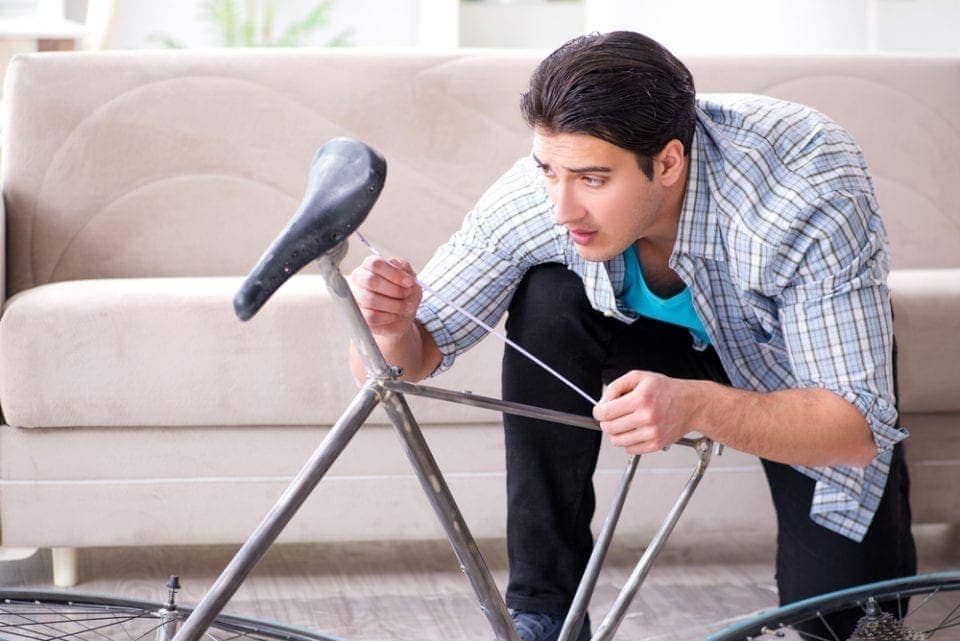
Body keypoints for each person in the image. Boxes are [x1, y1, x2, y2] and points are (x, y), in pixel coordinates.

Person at [346, 31, 916, 641]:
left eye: (592, 179)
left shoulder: (804, 190)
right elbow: (403, 366)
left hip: (795, 373)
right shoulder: (540, 196)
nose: (563, 208)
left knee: (847, 623)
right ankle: (543, 608)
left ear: (668, 163)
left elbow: (855, 428)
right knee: (547, 297)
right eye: (549, 171)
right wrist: (387, 327)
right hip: (643, 346)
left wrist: (695, 404)